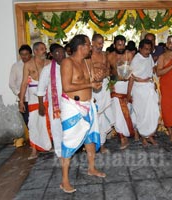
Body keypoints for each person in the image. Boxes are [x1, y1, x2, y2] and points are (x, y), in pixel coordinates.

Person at [60, 34, 106, 193]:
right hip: (72, 107)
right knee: (69, 142)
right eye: (88, 45)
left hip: (88, 104)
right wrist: (90, 83)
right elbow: (66, 86)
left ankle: (91, 168)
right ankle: (64, 180)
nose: (91, 47)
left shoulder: (88, 62)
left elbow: (94, 85)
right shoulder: (67, 62)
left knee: (90, 138)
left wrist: (98, 81)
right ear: (81, 46)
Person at [19, 42, 52, 160]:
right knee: (33, 123)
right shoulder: (28, 65)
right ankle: (34, 150)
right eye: (42, 49)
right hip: (33, 99)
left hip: (47, 97)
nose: (45, 50)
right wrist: (21, 101)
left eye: (45, 48)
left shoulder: (49, 63)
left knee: (47, 122)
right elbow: (23, 84)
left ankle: (49, 145)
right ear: (36, 51)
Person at [127, 39, 159, 146]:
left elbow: (151, 71)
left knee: (152, 113)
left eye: (149, 49)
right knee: (141, 114)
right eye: (145, 49)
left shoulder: (149, 57)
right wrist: (128, 94)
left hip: (149, 89)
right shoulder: (136, 60)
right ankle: (144, 137)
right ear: (140, 49)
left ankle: (149, 135)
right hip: (139, 90)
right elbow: (131, 78)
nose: (147, 51)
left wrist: (153, 83)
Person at [107, 35, 136, 149]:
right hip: (116, 87)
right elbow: (107, 71)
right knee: (118, 113)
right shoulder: (110, 56)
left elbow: (133, 73)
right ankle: (122, 137)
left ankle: (132, 132)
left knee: (128, 111)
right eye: (119, 44)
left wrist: (129, 91)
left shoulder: (129, 55)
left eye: (123, 44)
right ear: (114, 45)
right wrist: (111, 83)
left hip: (128, 86)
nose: (121, 46)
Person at [37, 43, 66, 159]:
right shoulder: (47, 69)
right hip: (55, 105)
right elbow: (41, 88)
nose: (60, 55)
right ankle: (59, 152)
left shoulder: (70, 65)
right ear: (52, 55)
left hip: (69, 103)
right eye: (57, 53)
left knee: (69, 127)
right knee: (56, 127)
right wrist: (40, 105)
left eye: (62, 52)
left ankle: (70, 149)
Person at [91, 34, 114, 154]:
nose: (101, 45)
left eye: (102, 43)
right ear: (92, 42)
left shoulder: (105, 55)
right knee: (94, 116)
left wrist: (103, 75)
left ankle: (102, 145)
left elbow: (107, 70)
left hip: (103, 86)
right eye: (99, 43)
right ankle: (91, 146)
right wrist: (94, 77)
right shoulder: (87, 55)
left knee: (104, 118)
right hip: (92, 88)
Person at [9, 44, 32, 127]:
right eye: (22, 54)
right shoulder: (16, 66)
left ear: (30, 54)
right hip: (23, 100)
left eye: (26, 54)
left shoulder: (35, 64)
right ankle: (32, 139)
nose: (24, 56)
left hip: (36, 98)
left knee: (38, 122)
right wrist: (19, 93)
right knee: (28, 122)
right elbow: (11, 83)